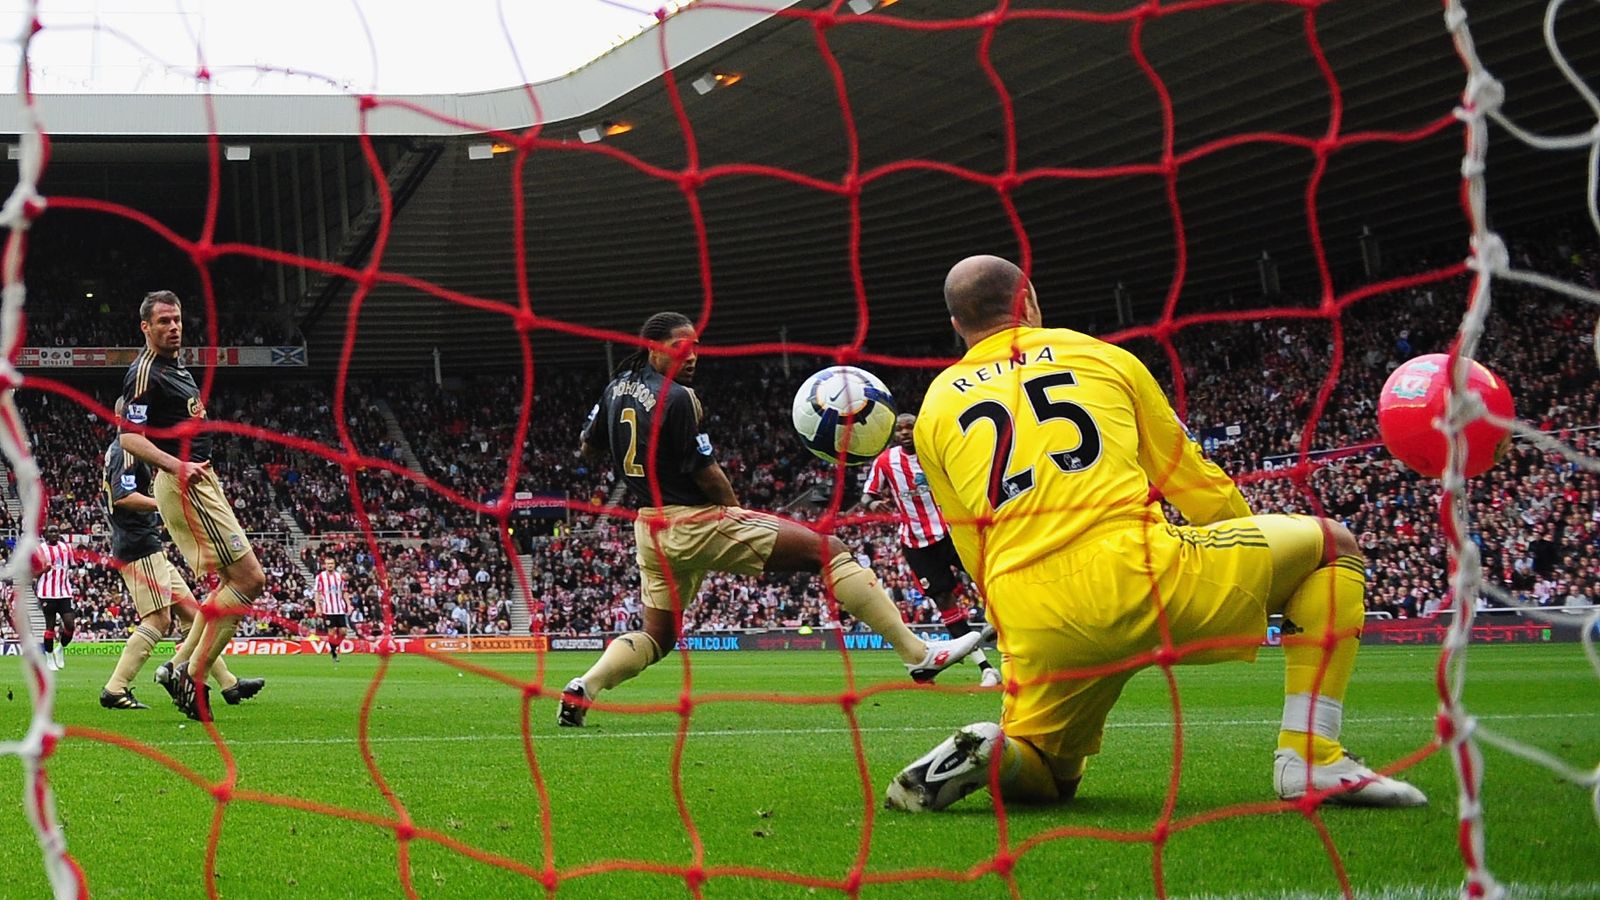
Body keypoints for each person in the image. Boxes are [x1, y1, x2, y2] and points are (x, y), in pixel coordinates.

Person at [884, 256, 1426, 812]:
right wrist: (1252, 564)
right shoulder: (1102, 358)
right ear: (1028, 302)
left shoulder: (933, 411)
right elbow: (1192, 481)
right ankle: (1310, 755)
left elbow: (972, 545)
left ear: (957, 326)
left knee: (1049, 775)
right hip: (1142, 572)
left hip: (1032, 611)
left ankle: (996, 753)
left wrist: (1016, 632)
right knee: (1331, 546)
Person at [557, 312, 989, 727]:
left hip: (649, 529)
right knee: (830, 551)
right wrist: (733, 510)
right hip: (695, 521)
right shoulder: (679, 396)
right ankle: (917, 655)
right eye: (679, 348)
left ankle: (585, 686)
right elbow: (705, 468)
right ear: (654, 349)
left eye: (695, 347)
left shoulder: (616, 388)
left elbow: (587, 449)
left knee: (658, 637)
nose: (691, 356)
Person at [118, 290, 267, 721]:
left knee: (231, 582)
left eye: (177, 319)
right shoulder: (145, 373)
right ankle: (191, 672)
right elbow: (129, 438)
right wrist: (176, 466)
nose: (173, 326)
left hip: (200, 479)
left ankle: (178, 667)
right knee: (249, 579)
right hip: (184, 482)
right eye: (163, 321)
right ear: (145, 327)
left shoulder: (175, 367)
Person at [100, 426, 265, 710]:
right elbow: (122, 496)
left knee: (193, 613)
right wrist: (164, 504)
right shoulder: (127, 450)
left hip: (145, 545)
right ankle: (115, 688)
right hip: (139, 545)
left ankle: (228, 683)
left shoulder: (125, 450)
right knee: (158, 620)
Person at [857, 413, 1001, 687]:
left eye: (909, 427)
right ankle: (985, 668)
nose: (904, 433)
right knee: (945, 602)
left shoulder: (933, 453)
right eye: (899, 429)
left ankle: (1001, 625)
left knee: (987, 577)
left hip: (951, 533)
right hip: (917, 545)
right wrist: (873, 504)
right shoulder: (886, 461)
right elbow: (868, 494)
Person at [35, 527, 77, 672]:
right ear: (45, 534)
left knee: (70, 625)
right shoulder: (40, 550)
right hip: (47, 593)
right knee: (50, 627)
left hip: (64, 592)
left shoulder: (66, 548)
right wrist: (43, 570)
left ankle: (60, 649)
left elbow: (73, 564)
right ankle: (49, 658)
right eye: (51, 532)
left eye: (56, 532)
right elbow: (33, 573)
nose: (54, 534)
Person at [313, 556, 350, 662]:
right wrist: (318, 607)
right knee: (332, 631)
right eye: (328, 563)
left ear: (335, 564)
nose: (330, 565)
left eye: (332, 563)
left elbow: (344, 592)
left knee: (343, 631)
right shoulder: (320, 577)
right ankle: (334, 653)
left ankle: (334, 648)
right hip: (328, 609)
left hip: (340, 608)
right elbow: (317, 592)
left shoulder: (340, 577)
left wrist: (349, 604)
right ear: (325, 565)